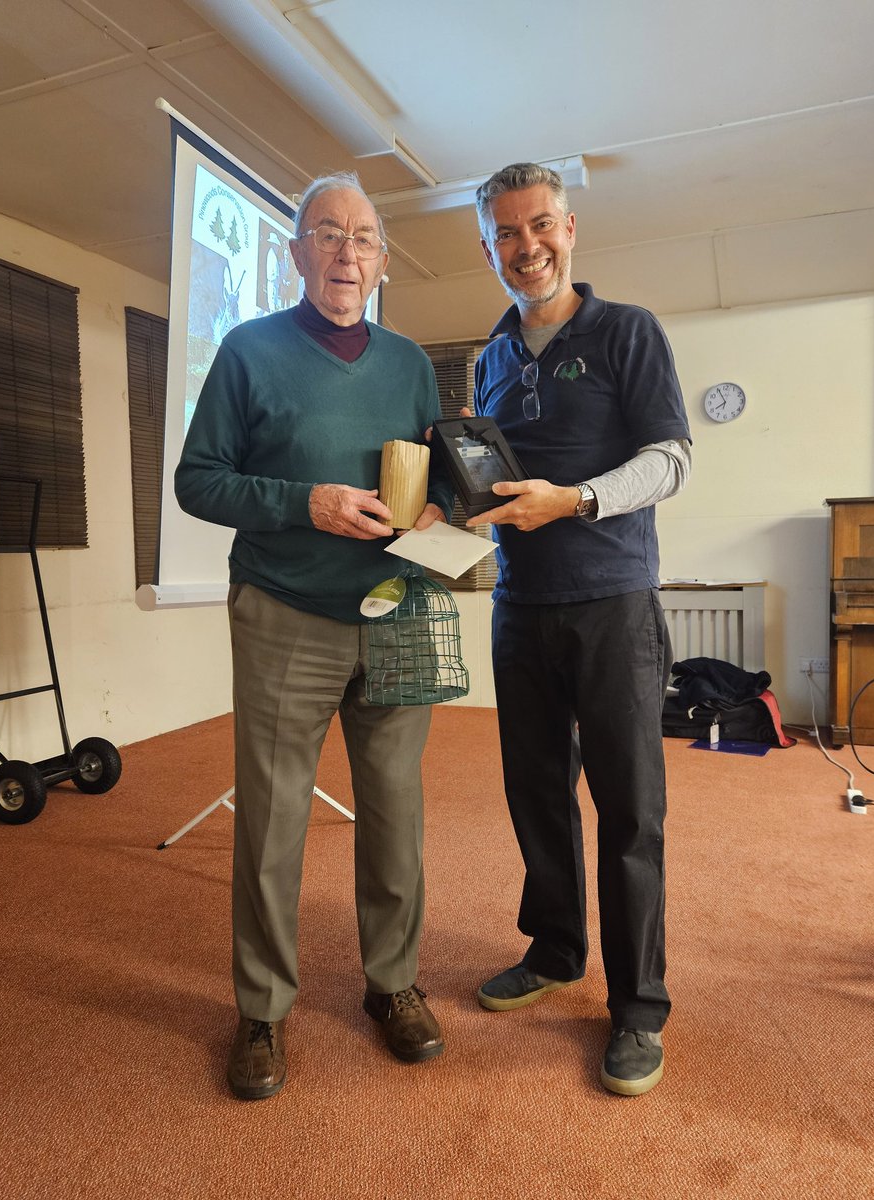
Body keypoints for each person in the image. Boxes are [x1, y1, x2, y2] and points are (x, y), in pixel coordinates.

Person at [175, 171, 453, 1101]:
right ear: (295, 254)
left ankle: (393, 985)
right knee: (272, 818)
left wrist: (443, 514)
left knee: (395, 812)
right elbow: (198, 481)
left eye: (364, 238)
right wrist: (307, 503)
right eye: (327, 234)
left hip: (396, 611)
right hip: (285, 612)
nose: (347, 252)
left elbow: (429, 477)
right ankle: (260, 1010)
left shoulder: (411, 362)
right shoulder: (248, 353)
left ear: (380, 261)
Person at [466, 162, 692, 1096]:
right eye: (508, 236)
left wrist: (576, 500)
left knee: (631, 811)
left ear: (571, 228)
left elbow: (671, 460)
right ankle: (557, 949)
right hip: (520, 609)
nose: (530, 249)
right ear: (489, 248)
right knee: (536, 796)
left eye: (543, 226)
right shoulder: (488, 354)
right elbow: (485, 480)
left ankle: (639, 1006)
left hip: (612, 604)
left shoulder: (628, 331)